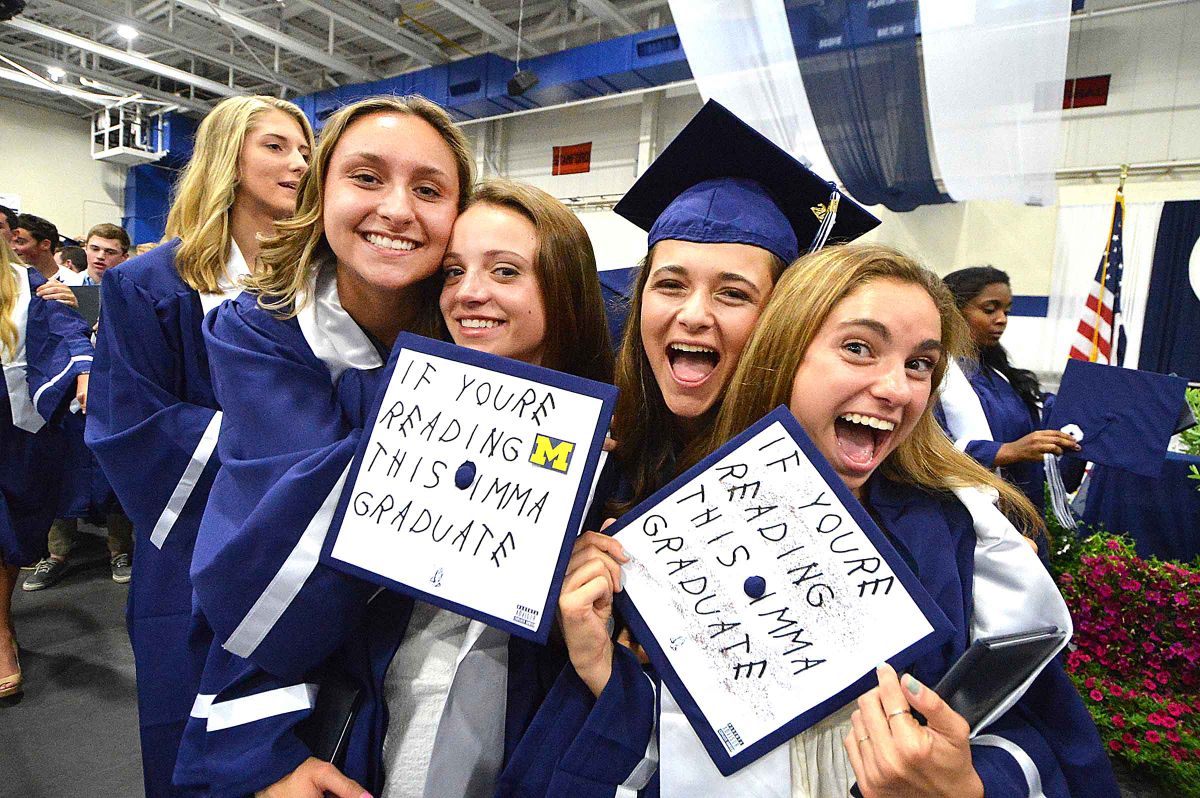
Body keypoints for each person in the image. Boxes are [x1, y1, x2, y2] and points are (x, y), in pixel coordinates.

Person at [508, 243, 1117, 798]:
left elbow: (1040, 732)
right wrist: (603, 671)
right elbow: (659, 753)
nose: (897, 389)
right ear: (785, 355)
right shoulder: (675, 524)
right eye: (859, 348)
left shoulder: (960, 537)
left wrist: (967, 785)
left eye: (920, 365)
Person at [83, 95, 312, 797]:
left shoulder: (323, 283)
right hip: (192, 548)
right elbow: (131, 423)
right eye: (277, 146)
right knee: (195, 734)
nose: (299, 162)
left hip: (308, 546)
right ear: (227, 158)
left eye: (305, 150)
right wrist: (287, 455)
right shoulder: (148, 285)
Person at [0, 237, 93, 698]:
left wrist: (84, 369)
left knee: (6, 534)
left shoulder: (26, 283)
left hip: (10, 428)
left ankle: (0, 632)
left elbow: (65, 331)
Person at [26, 222, 136, 590]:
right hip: (68, 394)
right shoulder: (58, 290)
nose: (101, 257)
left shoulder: (134, 289)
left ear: (124, 255)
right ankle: (56, 554)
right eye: (94, 249)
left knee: (117, 469)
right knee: (61, 470)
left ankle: (120, 549)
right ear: (85, 249)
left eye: (110, 251)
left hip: (118, 392)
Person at [937, 266, 1081, 517]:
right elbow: (927, 448)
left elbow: (1044, 419)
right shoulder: (932, 375)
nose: (1002, 319)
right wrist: (1007, 451)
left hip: (1020, 511)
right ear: (953, 312)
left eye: (1006, 311)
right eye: (990, 309)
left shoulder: (1001, 376)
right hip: (962, 518)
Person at [10, 213, 77, 308]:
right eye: (10, 242)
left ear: (45, 244)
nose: (12, 248)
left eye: (20, 242)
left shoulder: (76, 281)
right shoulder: (9, 280)